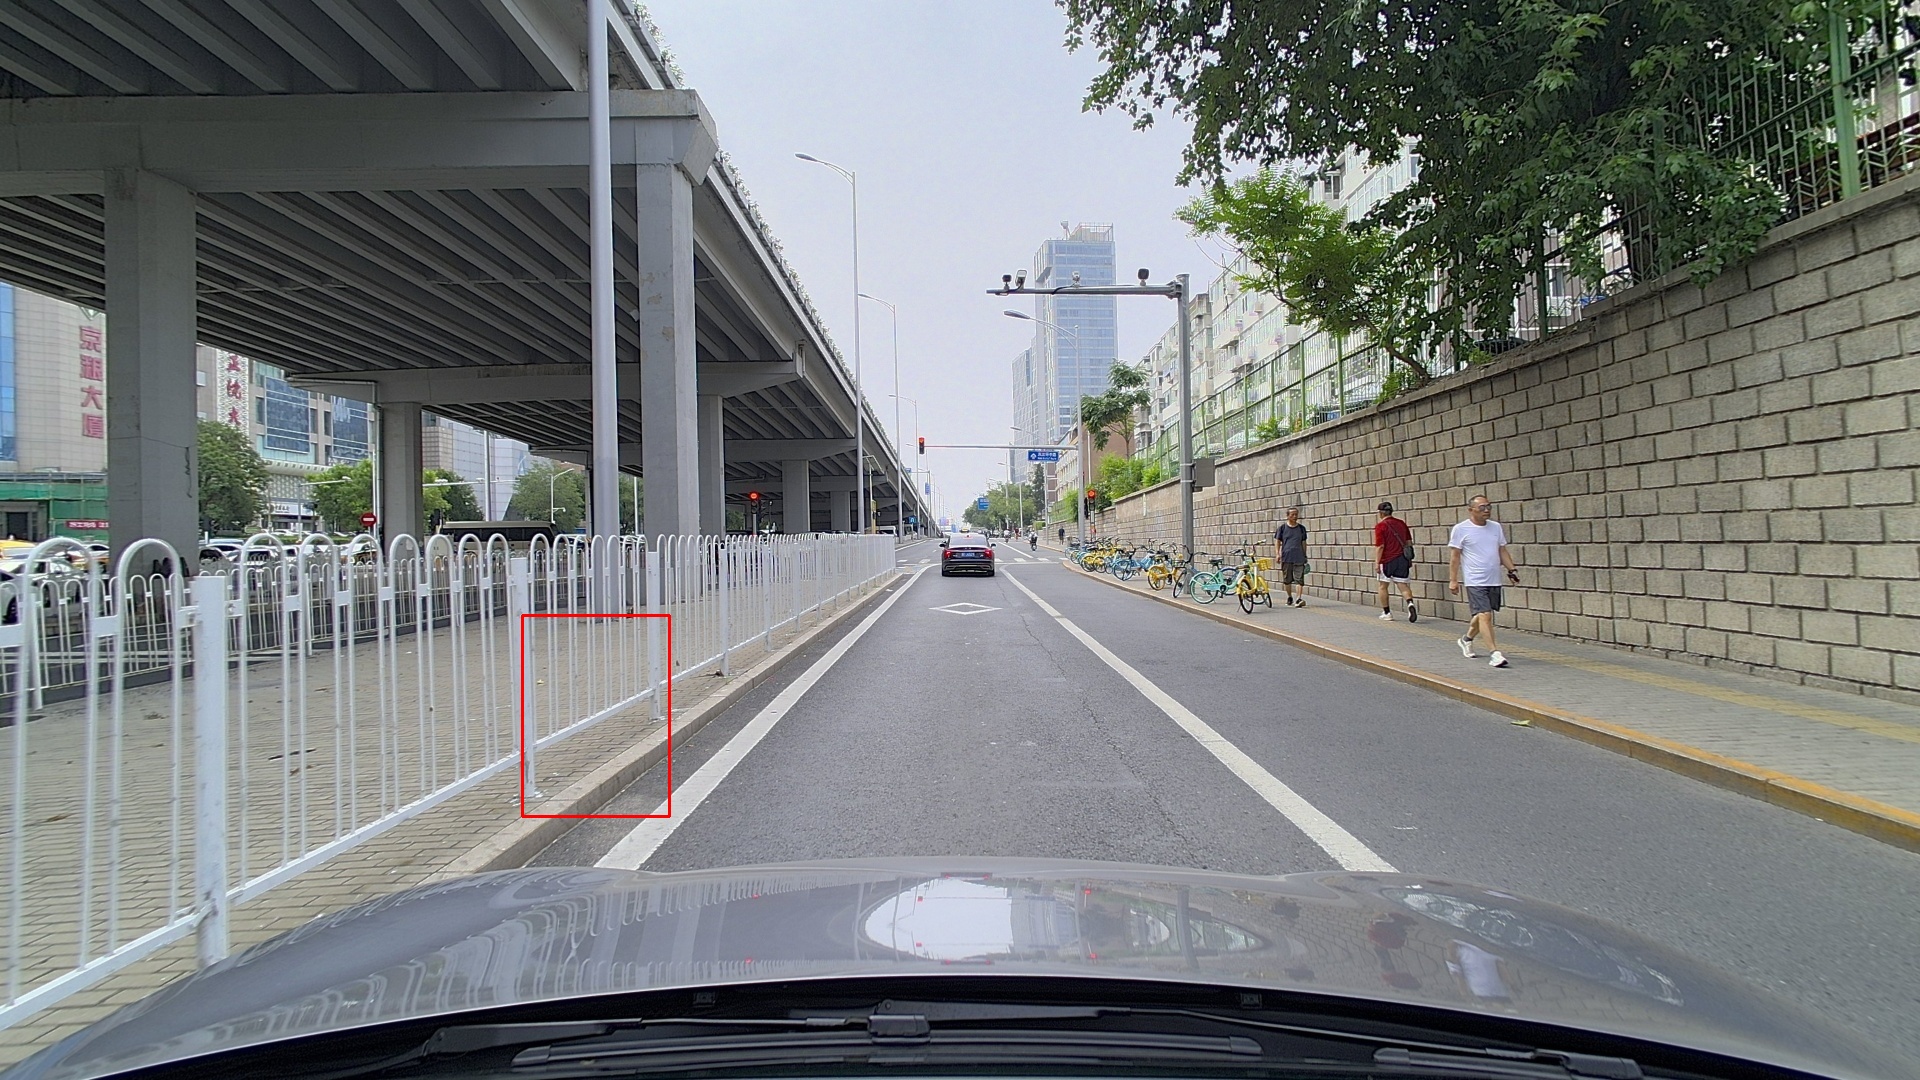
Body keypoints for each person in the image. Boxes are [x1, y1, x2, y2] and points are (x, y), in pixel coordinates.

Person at [1447, 494, 1520, 668]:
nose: (1486, 510)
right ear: (1471, 510)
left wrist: (1511, 570)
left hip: (1493, 579)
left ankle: (1466, 639)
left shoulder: (1496, 527)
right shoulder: (1460, 529)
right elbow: (1455, 557)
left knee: (1482, 615)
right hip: (1474, 580)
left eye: (1488, 506)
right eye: (1482, 507)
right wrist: (1453, 580)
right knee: (1485, 615)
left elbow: (1502, 551)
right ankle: (1495, 653)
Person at [1374, 501, 1417, 622]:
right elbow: (1409, 542)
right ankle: (1410, 603)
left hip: (1387, 560)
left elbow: (1380, 546)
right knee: (1403, 585)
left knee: (1383, 586)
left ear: (1381, 513)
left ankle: (1387, 612)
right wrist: (1408, 559)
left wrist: (1377, 562)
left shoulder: (1381, 526)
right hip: (1402, 559)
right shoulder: (1401, 523)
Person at [1273, 506, 1309, 607]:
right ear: (1288, 516)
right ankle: (1289, 597)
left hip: (1299, 557)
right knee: (1287, 580)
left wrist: (1304, 555)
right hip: (1286, 557)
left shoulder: (1301, 528)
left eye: (1296, 514)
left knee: (1299, 579)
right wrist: (1277, 554)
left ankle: (1298, 599)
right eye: (1292, 514)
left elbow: (1303, 542)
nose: (1295, 516)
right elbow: (1277, 541)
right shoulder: (1282, 528)